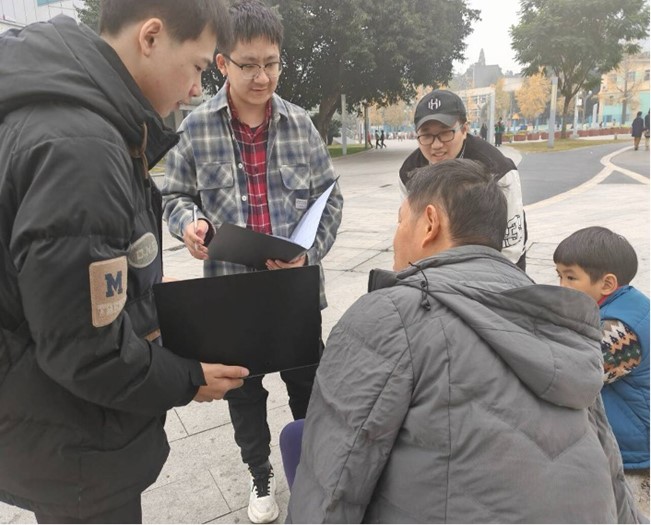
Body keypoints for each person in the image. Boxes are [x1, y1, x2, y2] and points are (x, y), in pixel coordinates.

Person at [0, 2, 250, 523]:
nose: (195, 89)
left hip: (52, 420)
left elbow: (71, 283)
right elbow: (85, 350)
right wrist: (188, 378)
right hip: (74, 443)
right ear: (151, 37)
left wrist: (147, 288)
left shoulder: (74, 117)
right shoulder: (82, 149)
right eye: (197, 66)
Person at [286, 160, 640, 523]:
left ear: (429, 223)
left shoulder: (391, 314)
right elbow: (610, 467)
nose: (395, 237)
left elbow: (333, 482)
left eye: (400, 221)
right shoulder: (556, 314)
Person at [161, 1, 343, 522]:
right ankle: (259, 472)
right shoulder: (196, 128)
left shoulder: (301, 125)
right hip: (230, 292)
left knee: (308, 385)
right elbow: (173, 196)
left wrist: (309, 253)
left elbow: (330, 198)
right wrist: (189, 224)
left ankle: (313, 469)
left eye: (272, 63)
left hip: (292, 290)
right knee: (242, 393)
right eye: (248, 65)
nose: (262, 76)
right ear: (222, 62)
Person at [554, 226, 650, 512]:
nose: (562, 286)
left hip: (635, 454)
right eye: (559, 275)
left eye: (571, 277)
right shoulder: (627, 305)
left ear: (607, 284)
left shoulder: (620, 331)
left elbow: (577, 376)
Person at [398, 89, 527, 270]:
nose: (436, 145)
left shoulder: (498, 170)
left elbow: (511, 248)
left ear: (464, 129)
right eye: (426, 135)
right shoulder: (409, 173)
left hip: (493, 266)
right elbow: (411, 230)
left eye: (445, 133)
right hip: (436, 266)